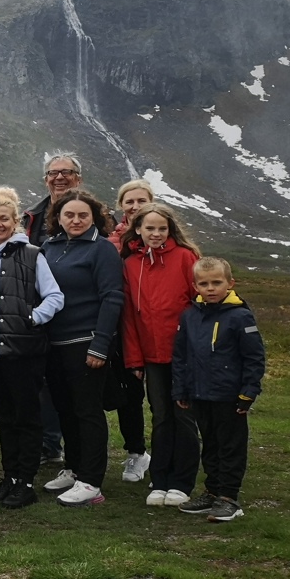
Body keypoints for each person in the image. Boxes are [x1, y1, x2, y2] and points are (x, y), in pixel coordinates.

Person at [0, 189, 64, 510]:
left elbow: (54, 297)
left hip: (21, 351)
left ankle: (25, 481)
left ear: (15, 221)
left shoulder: (32, 254)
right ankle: (9, 476)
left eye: (4, 219)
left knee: (26, 416)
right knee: (4, 417)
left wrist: (31, 318)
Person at [40, 189, 124, 507]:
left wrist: (101, 344)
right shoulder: (50, 247)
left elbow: (112, 297)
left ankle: (91, 481)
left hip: (85, 342)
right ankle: (73, 468)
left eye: (83, 215)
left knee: (88, 412)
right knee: (66, 410)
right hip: (54, 345)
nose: (76, 220)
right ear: (58, 218)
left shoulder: (101, 249)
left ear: (94, 218)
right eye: (69, 215)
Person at [172, 257, 265, 523]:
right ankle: (212, 491)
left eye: (216, 282)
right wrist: (181, 389)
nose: (210, 288)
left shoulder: (240, 316)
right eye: (204, 283)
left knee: (230, 446)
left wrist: (248, 392)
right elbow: (180, 356)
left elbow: (254, 358)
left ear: (230, 283)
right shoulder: (189, 316)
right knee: (210, 444)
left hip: (230, 396)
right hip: (199, 394)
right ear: (195, 286)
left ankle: (229, 497)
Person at [122, 203, 202, 507]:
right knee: (161, 417)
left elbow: (200, 305)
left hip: (184, 355)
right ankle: (160, 479)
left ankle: (182, 482)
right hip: (151, 357)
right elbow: (129, 317)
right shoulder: (130, 264)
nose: (155, 234)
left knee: (184, 417)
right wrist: (134, 359)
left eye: (162, 228)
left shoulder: (185, 257)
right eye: (150, 228)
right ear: (138, 229)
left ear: (170, 230)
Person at [24, 153, 83, 245]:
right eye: (53, 173)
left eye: (66, 172)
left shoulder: (98, 215)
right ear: (46, 181)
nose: (59, 177)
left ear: (78, 180)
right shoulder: (30, 217)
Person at [109, 178, 154, 253]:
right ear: (121, 205)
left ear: (151, 202)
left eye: (141, 201)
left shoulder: (165, 235)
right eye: (129, 202)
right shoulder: (111, 242)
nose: (135, 207)